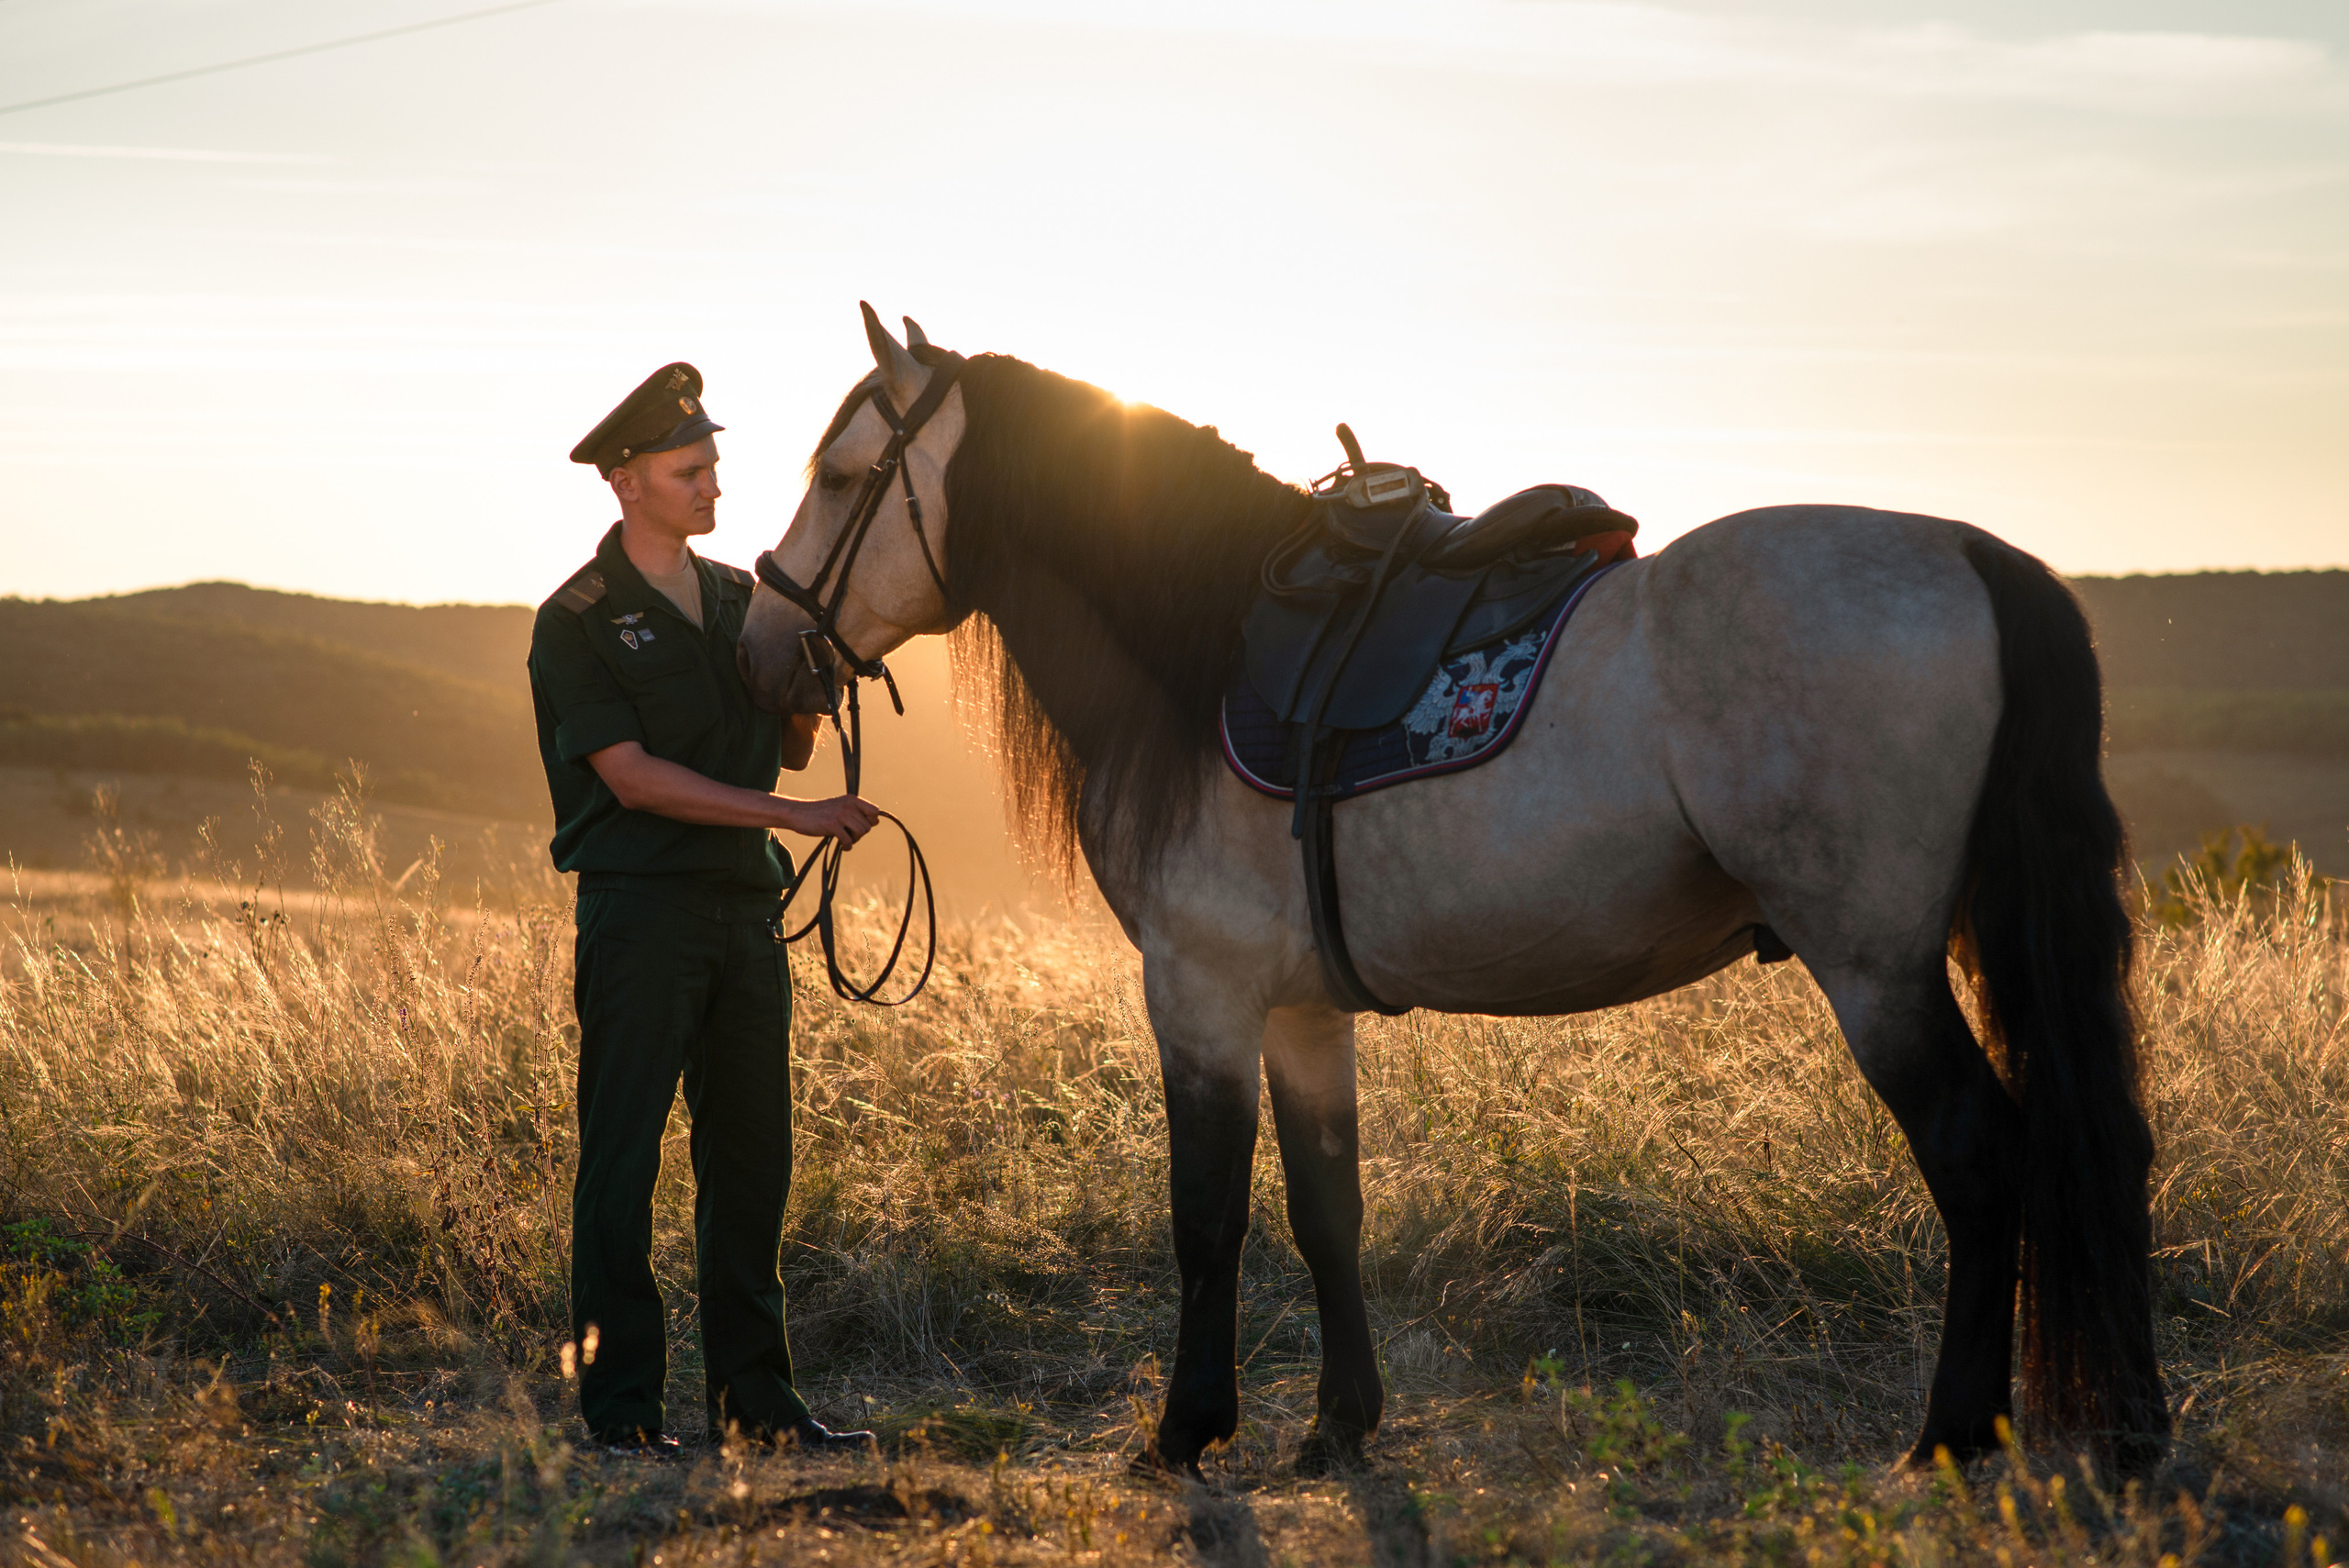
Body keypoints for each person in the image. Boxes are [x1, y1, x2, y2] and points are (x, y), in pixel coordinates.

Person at [528, 361, 880, 1458]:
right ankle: (623, 1409)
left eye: (714, 463)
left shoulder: (740, 601)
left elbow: (783, 735)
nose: (710, 482)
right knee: (622, 1161)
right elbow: (630, 778)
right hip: (638, 914)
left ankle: (757, 1404)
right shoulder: (576, 620)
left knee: (751, 1161)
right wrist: (798, 813)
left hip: (741, 913)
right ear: (627, 481)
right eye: (689, 469)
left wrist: (812, 695)